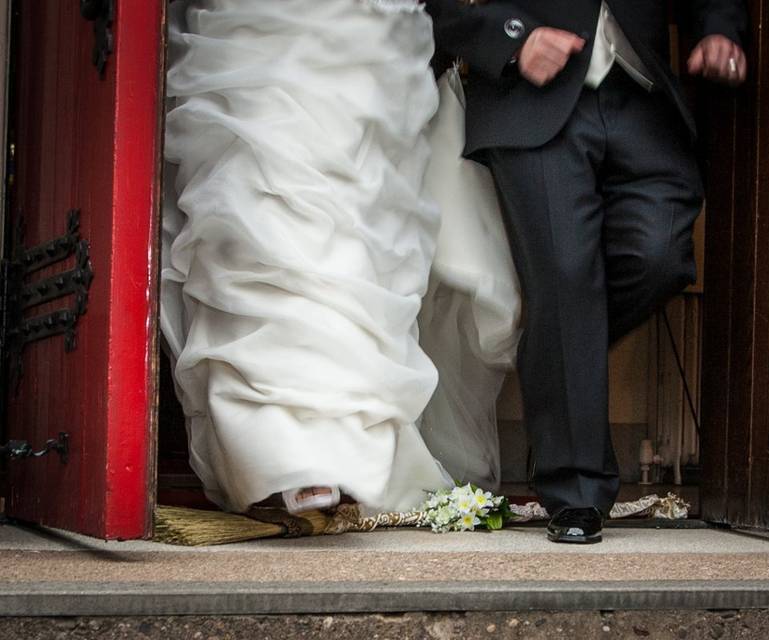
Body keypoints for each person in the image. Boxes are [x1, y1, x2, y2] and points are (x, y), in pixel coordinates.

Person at [161, 0, 518, 517]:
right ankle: (279, 447)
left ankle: (336, 445)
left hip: (363, 34)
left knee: (352, 232)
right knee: (255, 212)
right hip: (265, 28)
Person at [426, 0, 748, 543]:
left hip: (643, 97)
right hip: (531, 98)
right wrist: (513, 39)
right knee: (564, 280)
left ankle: (557, 386)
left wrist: (718, 27)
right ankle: (574, 493)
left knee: (661, 258)